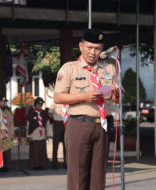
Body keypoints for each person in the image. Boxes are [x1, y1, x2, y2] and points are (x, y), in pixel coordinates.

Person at [54, 28, 122, 190]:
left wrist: (116, 94)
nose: (93, 52)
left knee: (98, 177)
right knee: (78, 176)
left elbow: (117, 100)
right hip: (79, 124)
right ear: (81, 46)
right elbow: (58, 97)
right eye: (89, 47)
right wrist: (84, 97)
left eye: (97, 48)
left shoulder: (109, 68)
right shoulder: (69, 68)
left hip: (102, 126)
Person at [26, 97, 49, 169]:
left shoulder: (44, 113)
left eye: (41, 105)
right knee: (34, 151)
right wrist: (28, 135)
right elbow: (28, 124)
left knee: (42, 151)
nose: (40, 106)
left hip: (42, 135)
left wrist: (48, 134)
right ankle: (35, 165)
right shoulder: (31, 113)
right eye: (38, 105)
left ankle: (42, 165)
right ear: (35, 105)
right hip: (34, 135)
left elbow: (47, 123)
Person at [48, 103, 67, 169]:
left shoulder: (67, 100)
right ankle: (55, 164)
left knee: (66, 145)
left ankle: (66, 163)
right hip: (57, 122)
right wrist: (55, 119)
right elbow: (50, 113)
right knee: (55, 145)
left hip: (66, 123)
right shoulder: (55, 102)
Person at [0, 97, 15, 172]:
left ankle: (7, 167)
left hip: (7, 134)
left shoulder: (9, 112)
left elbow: (11, 124)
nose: (3, 103)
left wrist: (12, 134)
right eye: (2, 102)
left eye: (4, 102)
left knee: (7, 152)